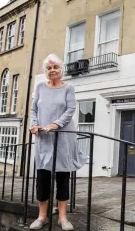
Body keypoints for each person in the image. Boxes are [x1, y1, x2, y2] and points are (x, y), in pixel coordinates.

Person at [29, 53, 86, 230]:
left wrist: (55, 124)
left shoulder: (68, 88)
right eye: (49, 68)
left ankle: (62, 218)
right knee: (43, 177)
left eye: (55, 67)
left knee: (62, 176)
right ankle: (42, 216)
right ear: (46, 71)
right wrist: (34, 125)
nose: (52, 70)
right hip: (44, 138)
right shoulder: (39, 87)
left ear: (61, 69)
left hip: (63, 137)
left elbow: (70, 110)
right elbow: (34, 110)